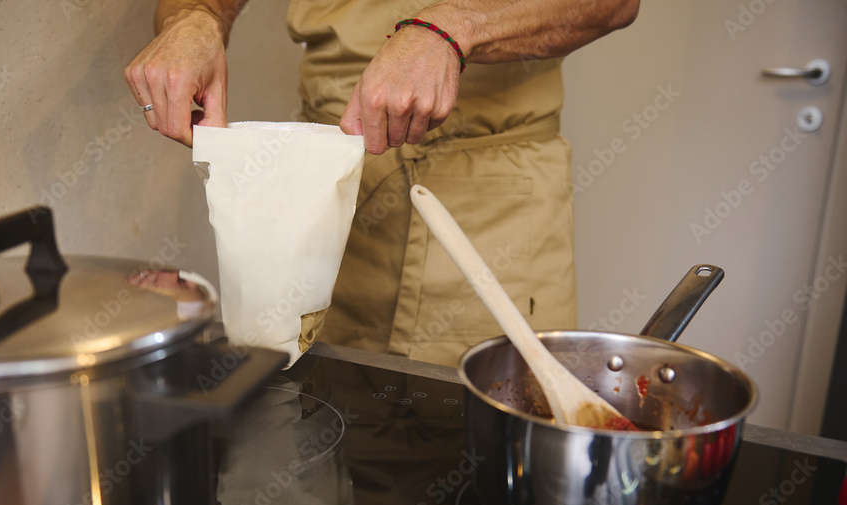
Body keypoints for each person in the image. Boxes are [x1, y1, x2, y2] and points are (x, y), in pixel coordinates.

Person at [125, 0, 640, 366]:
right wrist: (194, 17)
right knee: (313, 445)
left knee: (480, 455)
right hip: (326, 200)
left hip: (497, 209)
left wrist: (451, 27)